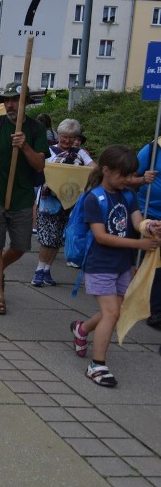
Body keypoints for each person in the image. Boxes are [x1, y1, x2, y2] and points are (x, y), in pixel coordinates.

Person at [70, 145, 160, 387]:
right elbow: (101, 236)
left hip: (123, 264)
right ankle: (97, 365)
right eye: (124, 176)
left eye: (131, 175)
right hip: (99, 264)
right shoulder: (93, 198)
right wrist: (139, 244)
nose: (129, 180)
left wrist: (149, 227)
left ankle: (82, 329)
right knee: (112, 312)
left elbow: (138, 221)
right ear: (107, 170)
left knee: (116, 309)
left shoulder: (128, 195)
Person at [0, 82, 48, 315]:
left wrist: (24, 146)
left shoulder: (36, 130)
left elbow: (39, 166)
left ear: (26, 102)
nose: (9, 104)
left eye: (15, 100)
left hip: (21, 197)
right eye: (7, 100)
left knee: (20, 246)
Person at [32, 119, 94, 287]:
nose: (67, 141)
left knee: (58, 238)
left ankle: (46, 270)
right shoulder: (48, 151)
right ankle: (39, 270)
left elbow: (93, 168)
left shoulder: (80, 153)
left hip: (69, 201)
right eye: (64, 136)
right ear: (58, 135)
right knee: (47, 238)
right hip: (48, 201)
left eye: (71, 137)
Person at [137, 136, 161, 328]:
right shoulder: (153, 149)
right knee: (154, 263)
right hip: (150, 214)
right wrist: (143, 178)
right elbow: (128, 177)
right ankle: (156, 310)